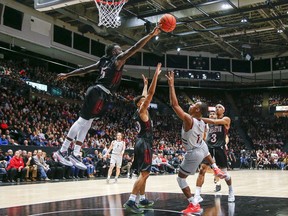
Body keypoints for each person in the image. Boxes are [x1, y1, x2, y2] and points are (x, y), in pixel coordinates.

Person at [54, 26, 161, 170]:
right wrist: (150, 34)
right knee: (82, 121)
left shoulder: (102, 62)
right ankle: (62, 150)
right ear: (113, 52)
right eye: (119, 49)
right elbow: (135, 48)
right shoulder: (116, 61)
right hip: (97, 92)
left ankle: (75, 153)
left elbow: (85, 70)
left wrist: (68, 75)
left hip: (102, 94)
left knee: (88, 122)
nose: (122, 51)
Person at [165, 71, 226, 215]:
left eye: (194, 104)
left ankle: (193, 204)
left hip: (193, 153)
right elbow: (210, 122)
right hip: (202, 148)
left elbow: (174, 104)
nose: (191, 105)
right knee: (204, 145)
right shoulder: (202, 121)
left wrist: (171, 85)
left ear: (197, 109)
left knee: (180, 179)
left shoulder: (189, 119)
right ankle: (215, 167)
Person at [123, 63, 162, 214]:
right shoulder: (142, 110)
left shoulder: (138, 110)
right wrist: (156, 77)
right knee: (145, 173)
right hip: (144, 143)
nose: (146, 101)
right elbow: (150, 95)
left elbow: (145, 95)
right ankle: (132, 200)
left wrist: (145, 85)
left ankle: (143, 198)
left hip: (140, 142)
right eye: (143, 101)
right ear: (141, 103)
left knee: (144, 173)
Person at [196, 104, 235, 202]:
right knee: (202, 169)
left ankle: (231, 190)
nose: (217, 108)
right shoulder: (209, 124)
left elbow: (214, 121)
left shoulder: (226, 119)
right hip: (208, 148)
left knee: (224, 173)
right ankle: (197, 194)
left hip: (219, 148)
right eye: (216, 107)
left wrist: (199, 118)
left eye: (219, 107)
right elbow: (205, 134)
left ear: (223, 110)